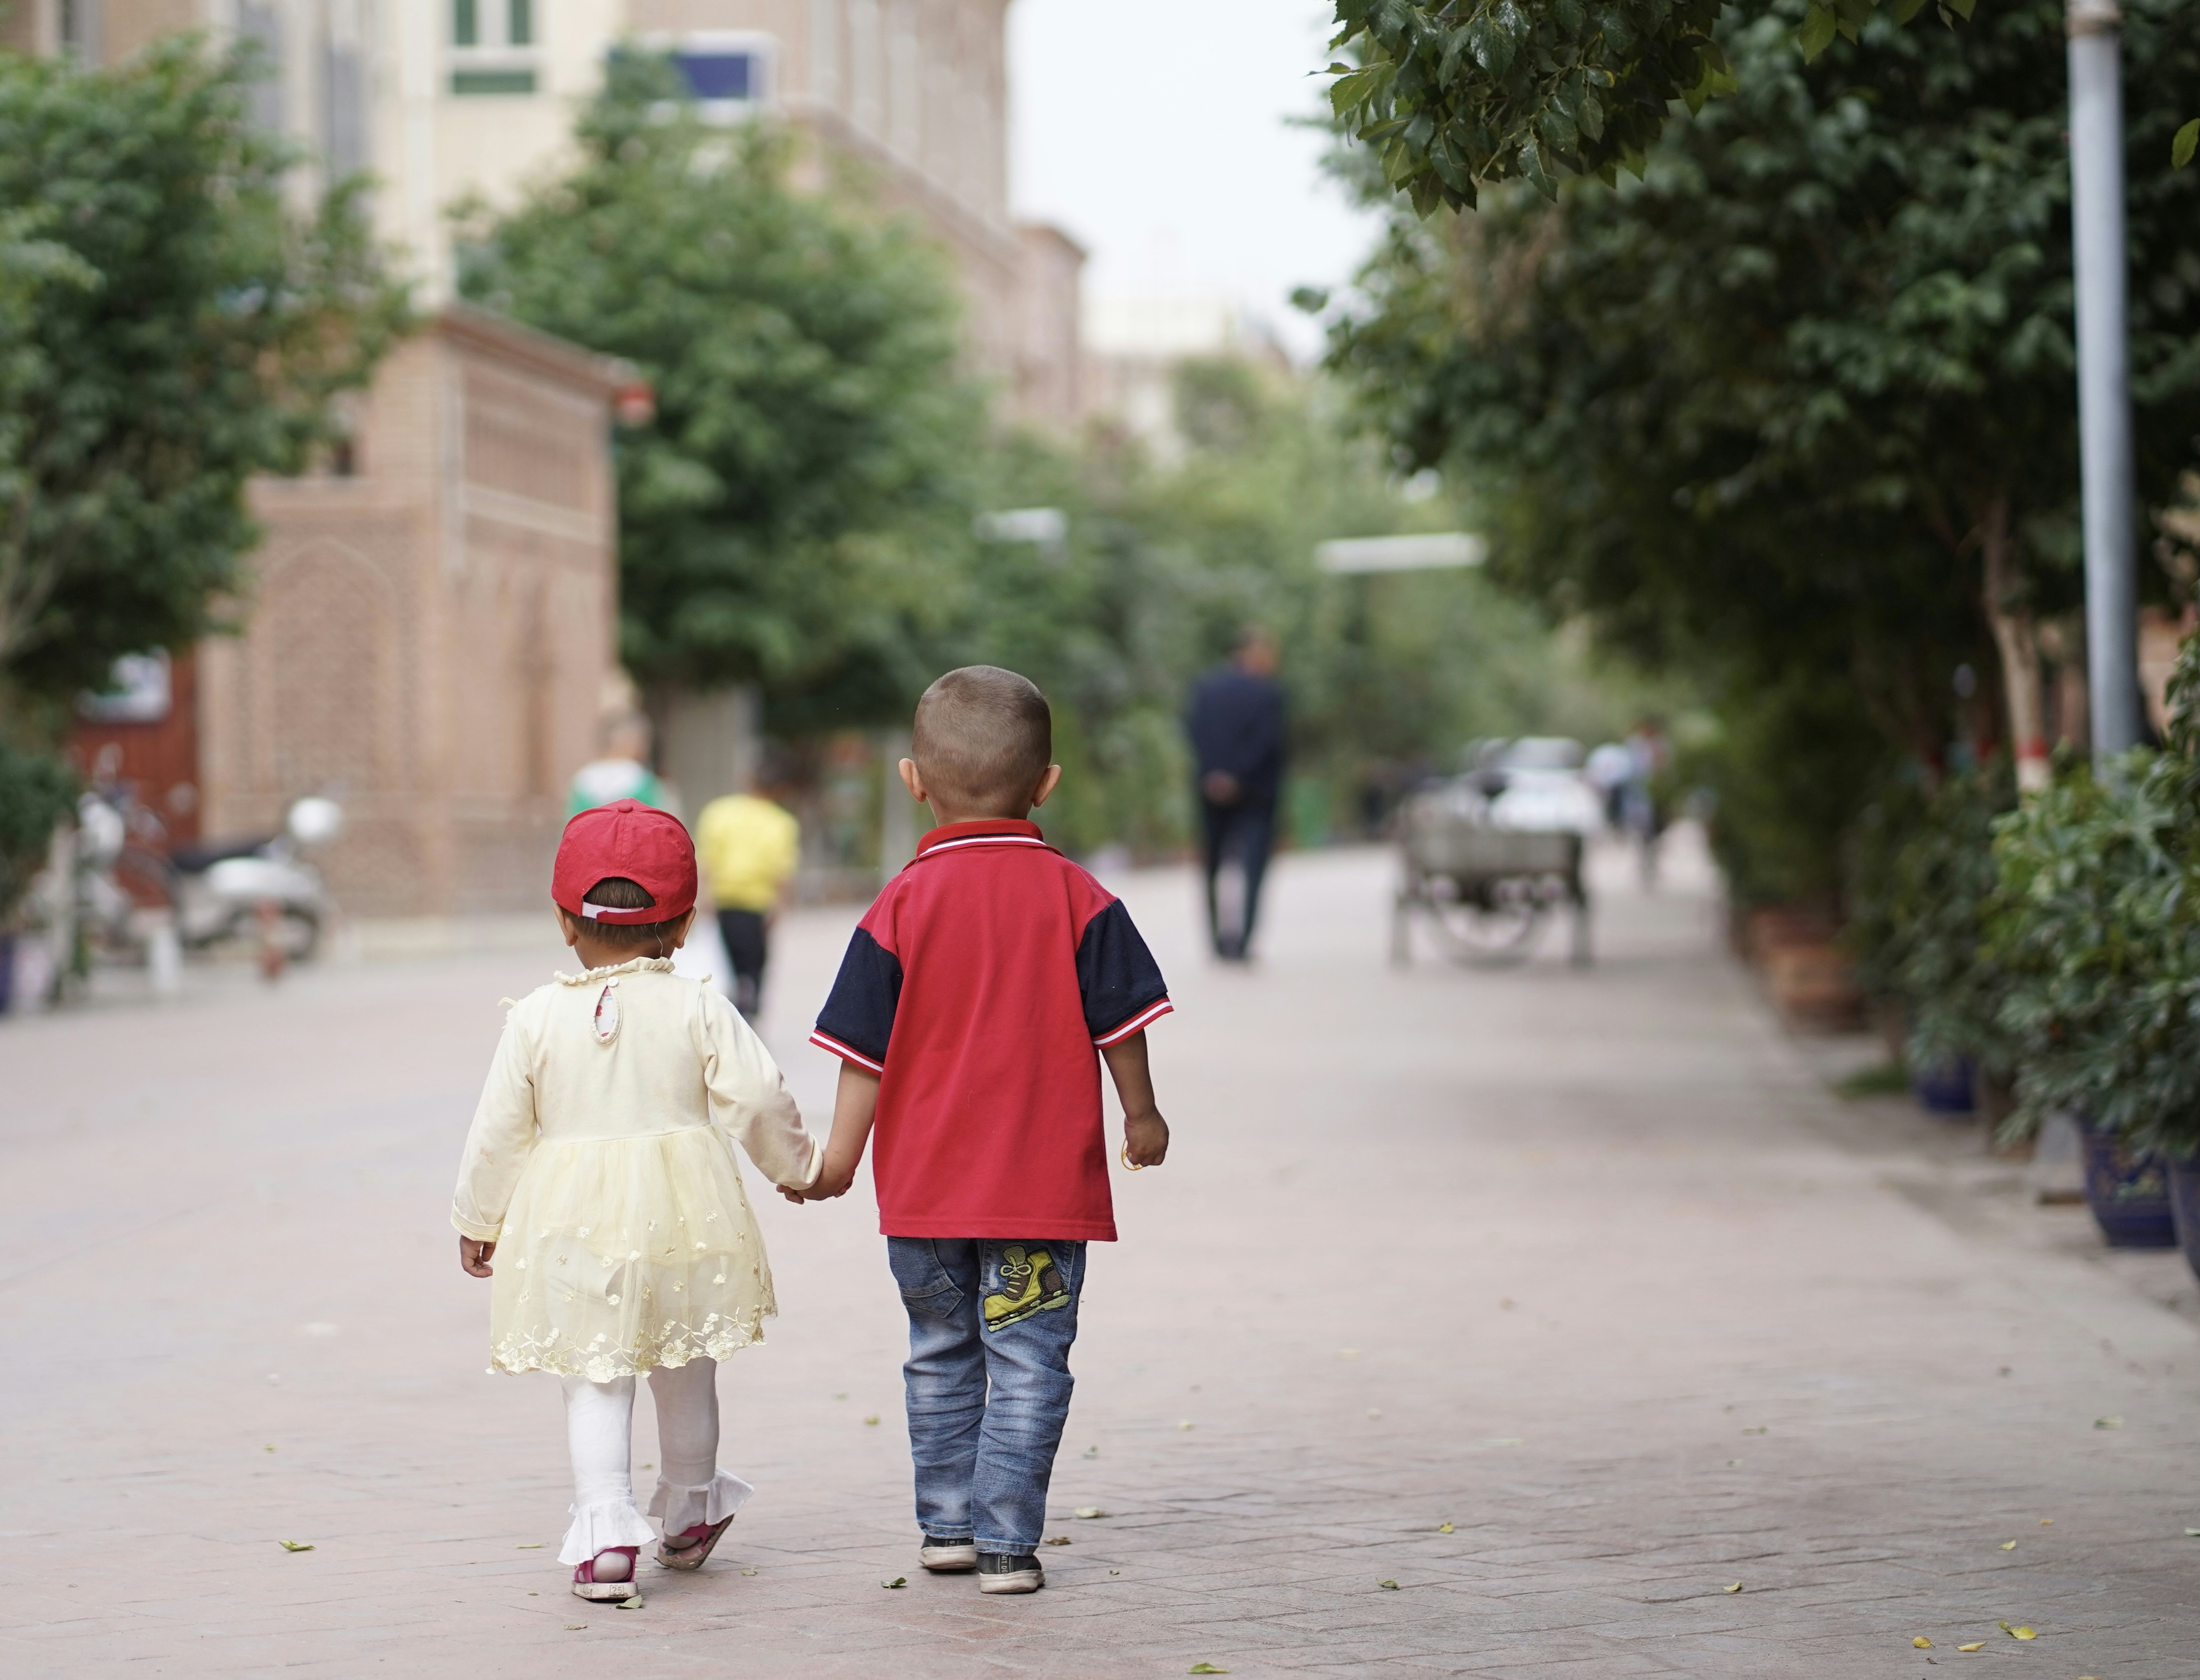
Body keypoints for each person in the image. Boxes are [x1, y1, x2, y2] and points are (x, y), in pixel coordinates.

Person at [795, 665, 1174, 1596]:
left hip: (924, 1198)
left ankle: (947, 1530)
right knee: (1031, 1355)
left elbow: (860, 1055)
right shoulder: (1081, 899)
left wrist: (838, 1159)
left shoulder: (898, 907)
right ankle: (1009, 1543)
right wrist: (1142, 1114)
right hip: (1041, 1195)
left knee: (940, 1352)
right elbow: (1121, 1027)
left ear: (912, 781)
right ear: (1046, 784)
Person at [450, 798, 823, 1604]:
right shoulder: (698, 1005)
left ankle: (607, 1535)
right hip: (686, 1213)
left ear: (562, 921)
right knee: (686, 1363)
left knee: (594, 1374)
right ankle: (689, 1510)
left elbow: (497, 1132)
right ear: (685, 925)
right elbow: (756, 1099)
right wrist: (794, 1165)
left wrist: (479, 1218)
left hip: (568, 1219)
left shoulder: (536, 1019)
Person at [1186, 627, 1287, 960]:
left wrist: (1217, 773)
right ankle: (1242, 942)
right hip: (1256, 794)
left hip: (1210, 787)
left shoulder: (1205, 689)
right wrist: (1239, 775)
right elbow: (1268, 742)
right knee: (1253, 867)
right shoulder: (1266, 693)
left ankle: (1217, 941)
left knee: (1213, 865)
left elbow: (1194, 733)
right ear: (1252, 651)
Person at [693, 756, 802, 1021]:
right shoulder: (782, 823)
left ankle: (735, 1005)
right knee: (754, 965)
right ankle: (750, 1007)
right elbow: (782, 872)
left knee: (727, 962)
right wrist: (780, 906)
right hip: (757, 904)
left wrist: (703, 896)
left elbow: (706, 860)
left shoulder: (718, 812)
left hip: (725, 900)